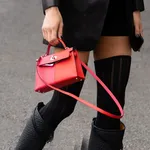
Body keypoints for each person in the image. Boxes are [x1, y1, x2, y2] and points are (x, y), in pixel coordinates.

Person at [15, 0, 145, 149]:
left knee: (111, 109)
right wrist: (50, 8)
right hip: (76, 10)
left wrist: (135, 7)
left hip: (117, 9)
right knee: (63, 103)